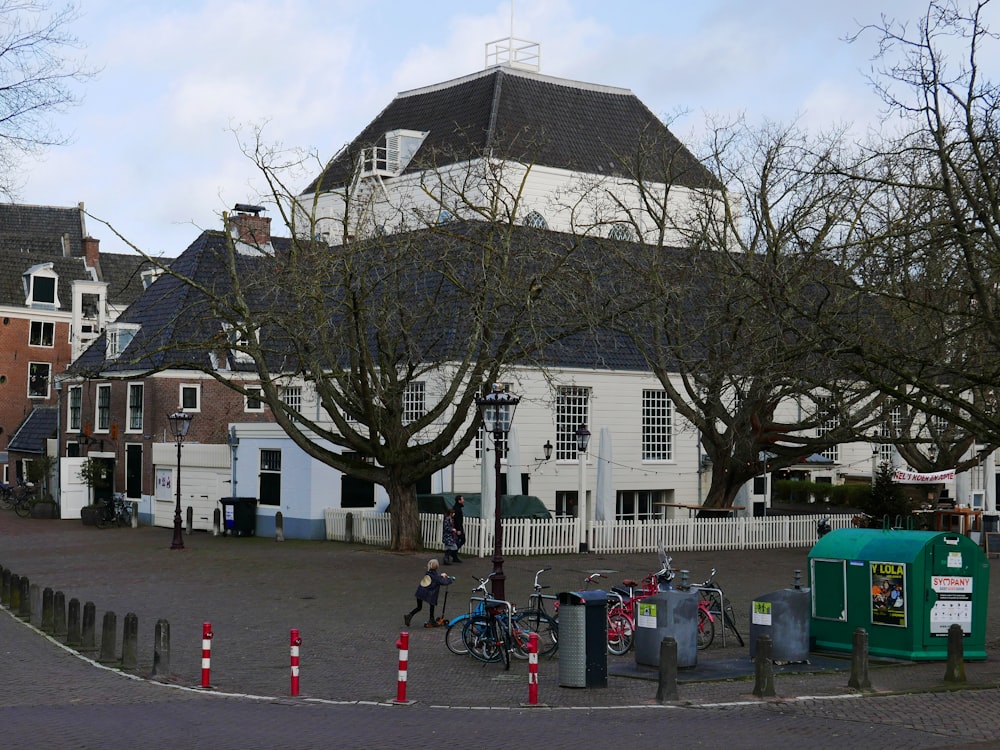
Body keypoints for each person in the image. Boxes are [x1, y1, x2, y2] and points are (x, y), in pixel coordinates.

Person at [404, 559, 453, 628]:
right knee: (432, 604)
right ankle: (431, 619)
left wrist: (441, 576)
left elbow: (436, 577)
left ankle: (409, 615)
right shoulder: (436, 577)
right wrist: (450, 579)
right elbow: (443, 582)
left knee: (419, 607)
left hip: (420, 592)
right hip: (428, 594)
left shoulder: (428, 573)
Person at [452, 495, 465, 562]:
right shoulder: (457, 509)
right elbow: (457, 520)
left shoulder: (457, 508)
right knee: (462, 540)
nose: (463, 501)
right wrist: (458, 529)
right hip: (458, 527)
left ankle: (454, 555)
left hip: (458, 527)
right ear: (459, 501)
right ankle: (453, 552)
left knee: (459, 540)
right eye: (462, 499)